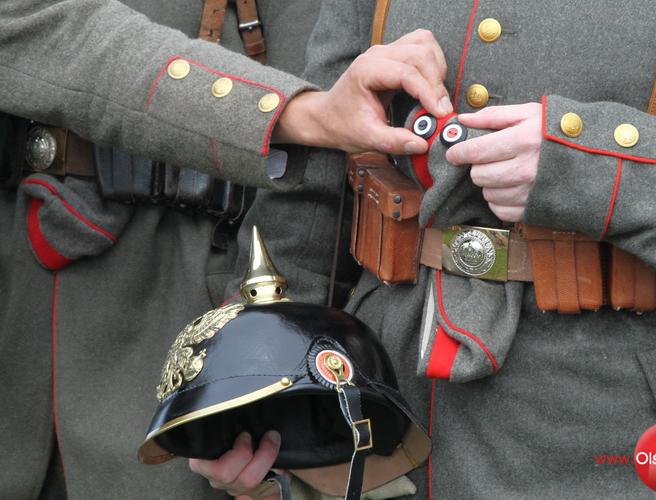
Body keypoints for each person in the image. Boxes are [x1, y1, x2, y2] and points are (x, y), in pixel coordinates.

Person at [193, 1, 656, 498]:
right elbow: (321, 181)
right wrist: (263, 377)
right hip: (392, 414)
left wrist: (599, 170)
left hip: (634, 434)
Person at [0, 0, 453, 498]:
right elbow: (29, 25)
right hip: (46, 286)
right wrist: (295, 112)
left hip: (253, 278)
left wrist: (277, 348)